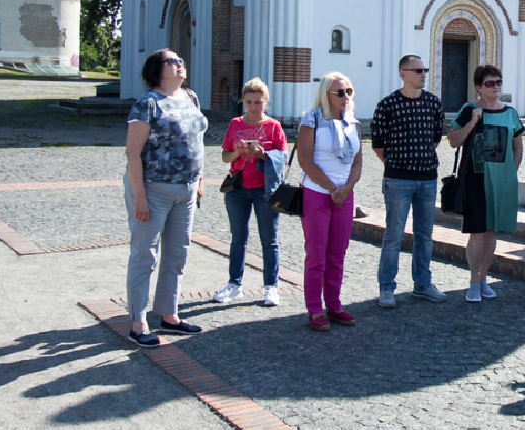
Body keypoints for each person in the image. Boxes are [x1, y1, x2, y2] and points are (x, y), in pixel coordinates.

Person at [124, 47, 208, 348]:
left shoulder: (191, 97)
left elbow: (196, 141)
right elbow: (133, 152)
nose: (180, 65)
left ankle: (169, 315)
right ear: (157, 69)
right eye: (173, 62)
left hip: (185, 190)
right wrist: (139, 198)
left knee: (177, 253)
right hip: (153, 189)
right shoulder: (147, 103)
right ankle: (138, 323)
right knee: (145, 255)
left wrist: (200, 179)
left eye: (181, 61)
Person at [372, 54, 446, 307]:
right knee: (393, 235)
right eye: (417, 70)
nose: (423, 73)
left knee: (424, 235)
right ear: (403, 74)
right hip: (398, 180)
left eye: (424, 69)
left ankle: (423, 285)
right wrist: (397, 166)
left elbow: (436, 138)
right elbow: (379, 145)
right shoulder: (387, 105)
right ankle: (386, 287)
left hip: (427, 178)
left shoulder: (434, 104)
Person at [447, 64, 524, 301]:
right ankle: (472, 281)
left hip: (502, 182)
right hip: (475, 178)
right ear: (479, 87)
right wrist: (470, 124)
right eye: (490, 83)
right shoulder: (469, 109)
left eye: (499, 82)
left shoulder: (510, 113)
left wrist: (512, 172)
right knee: (477, 232)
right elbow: (452, 141)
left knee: (492, 232)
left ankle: (484, 278)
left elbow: (517, 146)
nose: (496, 87)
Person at [297, 72, 363, 330]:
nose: (345, 97)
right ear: (326, 95)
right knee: (316, 254)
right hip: (316, 193)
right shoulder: (311, 120)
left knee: (337, 253)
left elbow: (357, 162)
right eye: (339, 92)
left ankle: (334, 305)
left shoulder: (354, 124)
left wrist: (346, 189)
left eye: (348, 91)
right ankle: (315, 309)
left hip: (343, 196)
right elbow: (305, 160)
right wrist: (331, 187)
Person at [213, 77, 287, 308]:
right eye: (249, 102)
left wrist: (262, 154)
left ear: (266, 102)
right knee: (238, 238)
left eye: (258, 102)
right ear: (242, 102)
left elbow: (282, 157)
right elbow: (225, 156)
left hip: (264, 189)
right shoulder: (235, 124)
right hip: (238, 188)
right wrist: (237, 152)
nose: (254, 107)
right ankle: (235, 284)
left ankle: (271, 287)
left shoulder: (273, 126)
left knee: (269, 239)